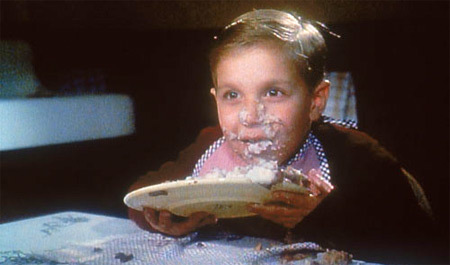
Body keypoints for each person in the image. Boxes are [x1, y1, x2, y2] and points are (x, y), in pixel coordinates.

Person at [127, 9, 436, 263]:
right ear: (215, 100)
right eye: (232, 95)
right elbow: (144, 195)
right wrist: (165, 219)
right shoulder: (209, 145)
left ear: (315, 102)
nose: (250, 116)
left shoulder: (358, 155)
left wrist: (325, 217)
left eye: (273, 93)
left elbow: (420, 242)